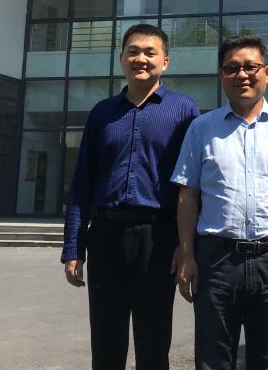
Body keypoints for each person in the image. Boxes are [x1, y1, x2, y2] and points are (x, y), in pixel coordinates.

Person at [61, 23, 200, 370]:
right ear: (121, 58)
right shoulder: (102, 113)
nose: (141, 58)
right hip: (105, 234)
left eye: (150, 52)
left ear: (165, 62)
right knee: (105, 338)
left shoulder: (184, 111)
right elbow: (82, 183)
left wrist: (187, 247)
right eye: (133, 51)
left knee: (154, 339)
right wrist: (73, 247)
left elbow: (194, 185)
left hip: (158, 237)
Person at [172, 35, 268, 370]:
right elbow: (187, 196)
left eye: (250, 66)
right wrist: (187, 256)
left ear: (267, 73)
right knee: (213, 361)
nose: (242, 75)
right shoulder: (201, 128)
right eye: (232, 68)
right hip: (216, 262)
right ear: (221, 75)